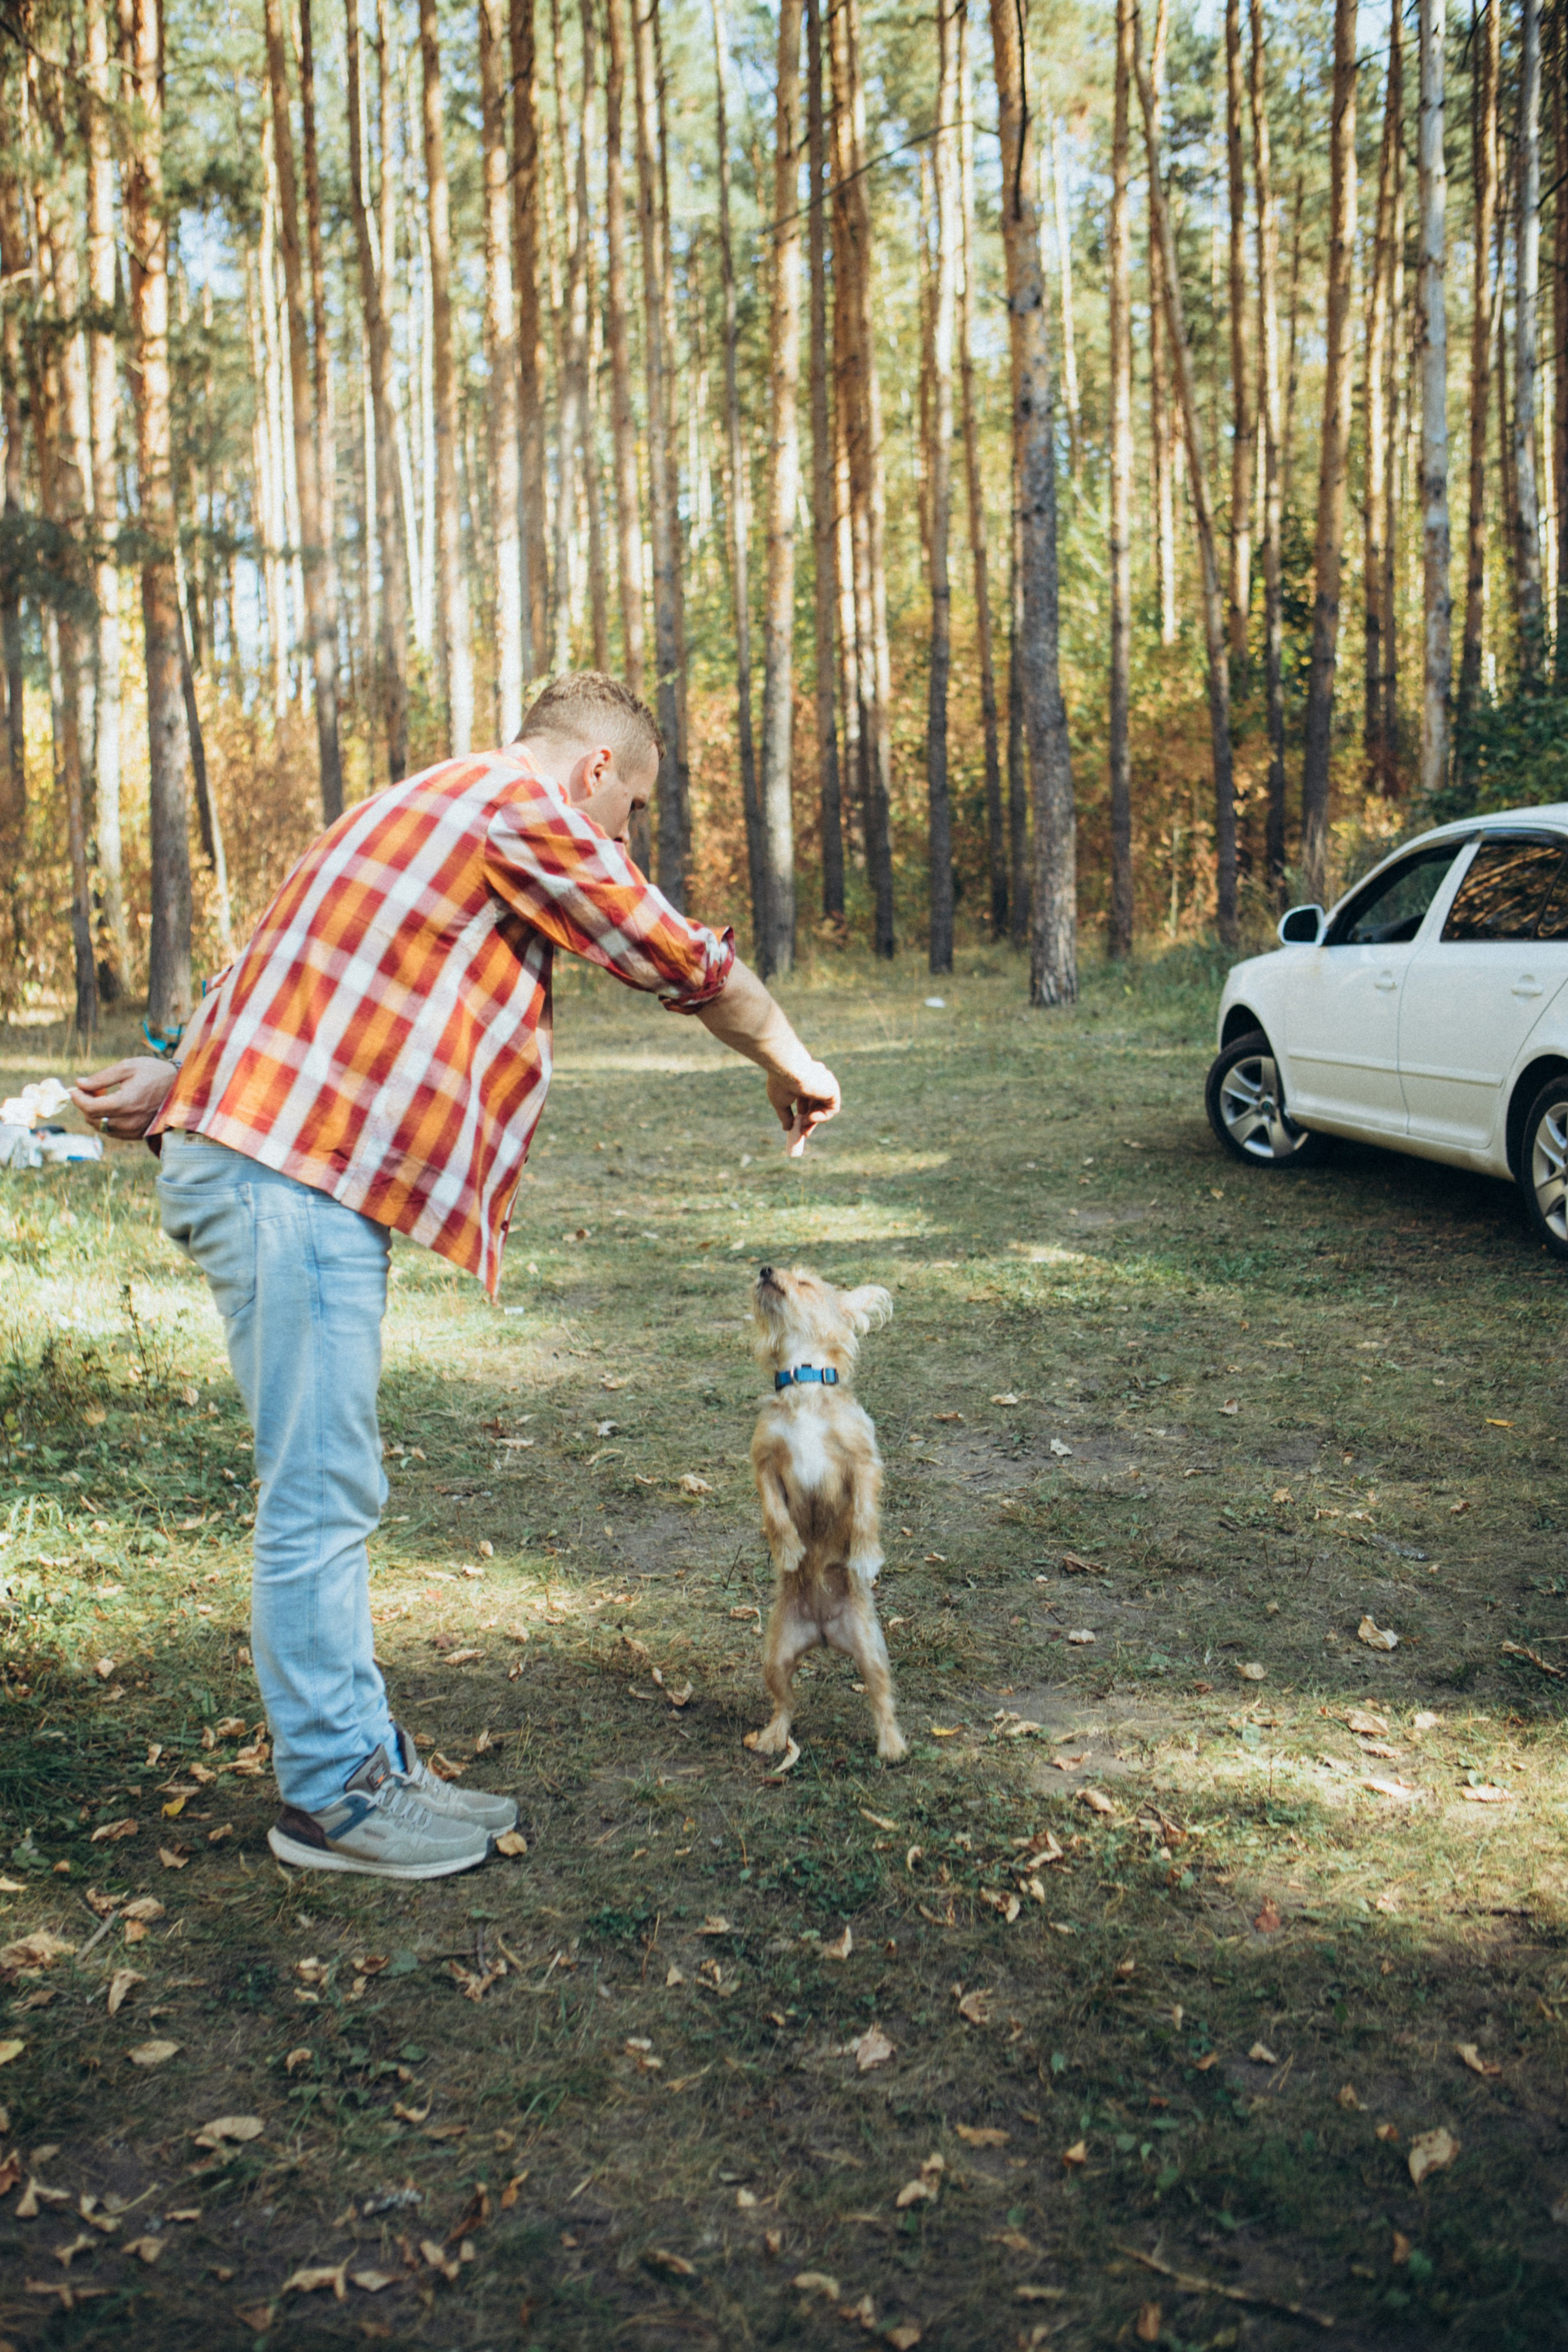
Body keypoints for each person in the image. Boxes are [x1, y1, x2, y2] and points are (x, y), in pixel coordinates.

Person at [73, 673, 840, 1882]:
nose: (629, 833)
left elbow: (275, 970)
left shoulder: (411, 804)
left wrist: (181, 1077)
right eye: (634, 808)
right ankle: (334, 1797)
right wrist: (793, 1061)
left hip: (274, 1162)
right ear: (594, 771)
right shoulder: (522, 806)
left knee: (328, 1484)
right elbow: (676, 954)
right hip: (289, 1178)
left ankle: (364, 1762)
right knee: (319, 1494)